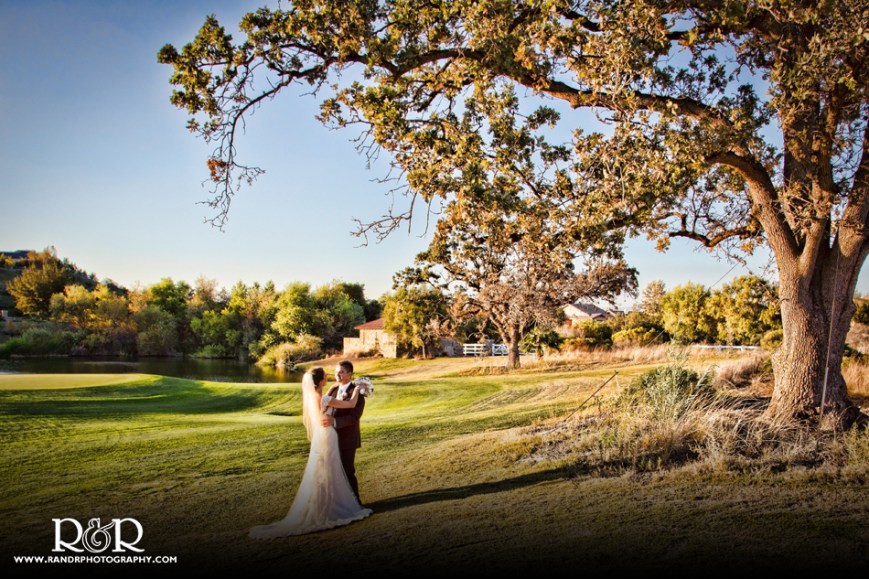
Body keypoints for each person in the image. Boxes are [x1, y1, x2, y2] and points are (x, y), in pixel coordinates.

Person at [249, 367, 371, 538]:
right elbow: (350, 404)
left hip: (320, 436)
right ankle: (331, 506)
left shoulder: (317, 395)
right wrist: (358, 389)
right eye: (326, 375)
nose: (331, 376)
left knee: (323, 469)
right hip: (327, 435)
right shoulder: (326, 397)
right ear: (321, 380)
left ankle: (323, 503)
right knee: (330, 468)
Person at [321, 360, 364, 504]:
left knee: (347, 471)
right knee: (333, 471)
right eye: (336, 371)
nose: (337, 374)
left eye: (341, 372)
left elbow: (354, 417)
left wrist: (335, 422)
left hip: (348, 438)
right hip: (331, 437)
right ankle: (340, 502)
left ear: (350, 374)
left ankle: (356, 502)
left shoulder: (356, 392)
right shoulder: (333, 390)